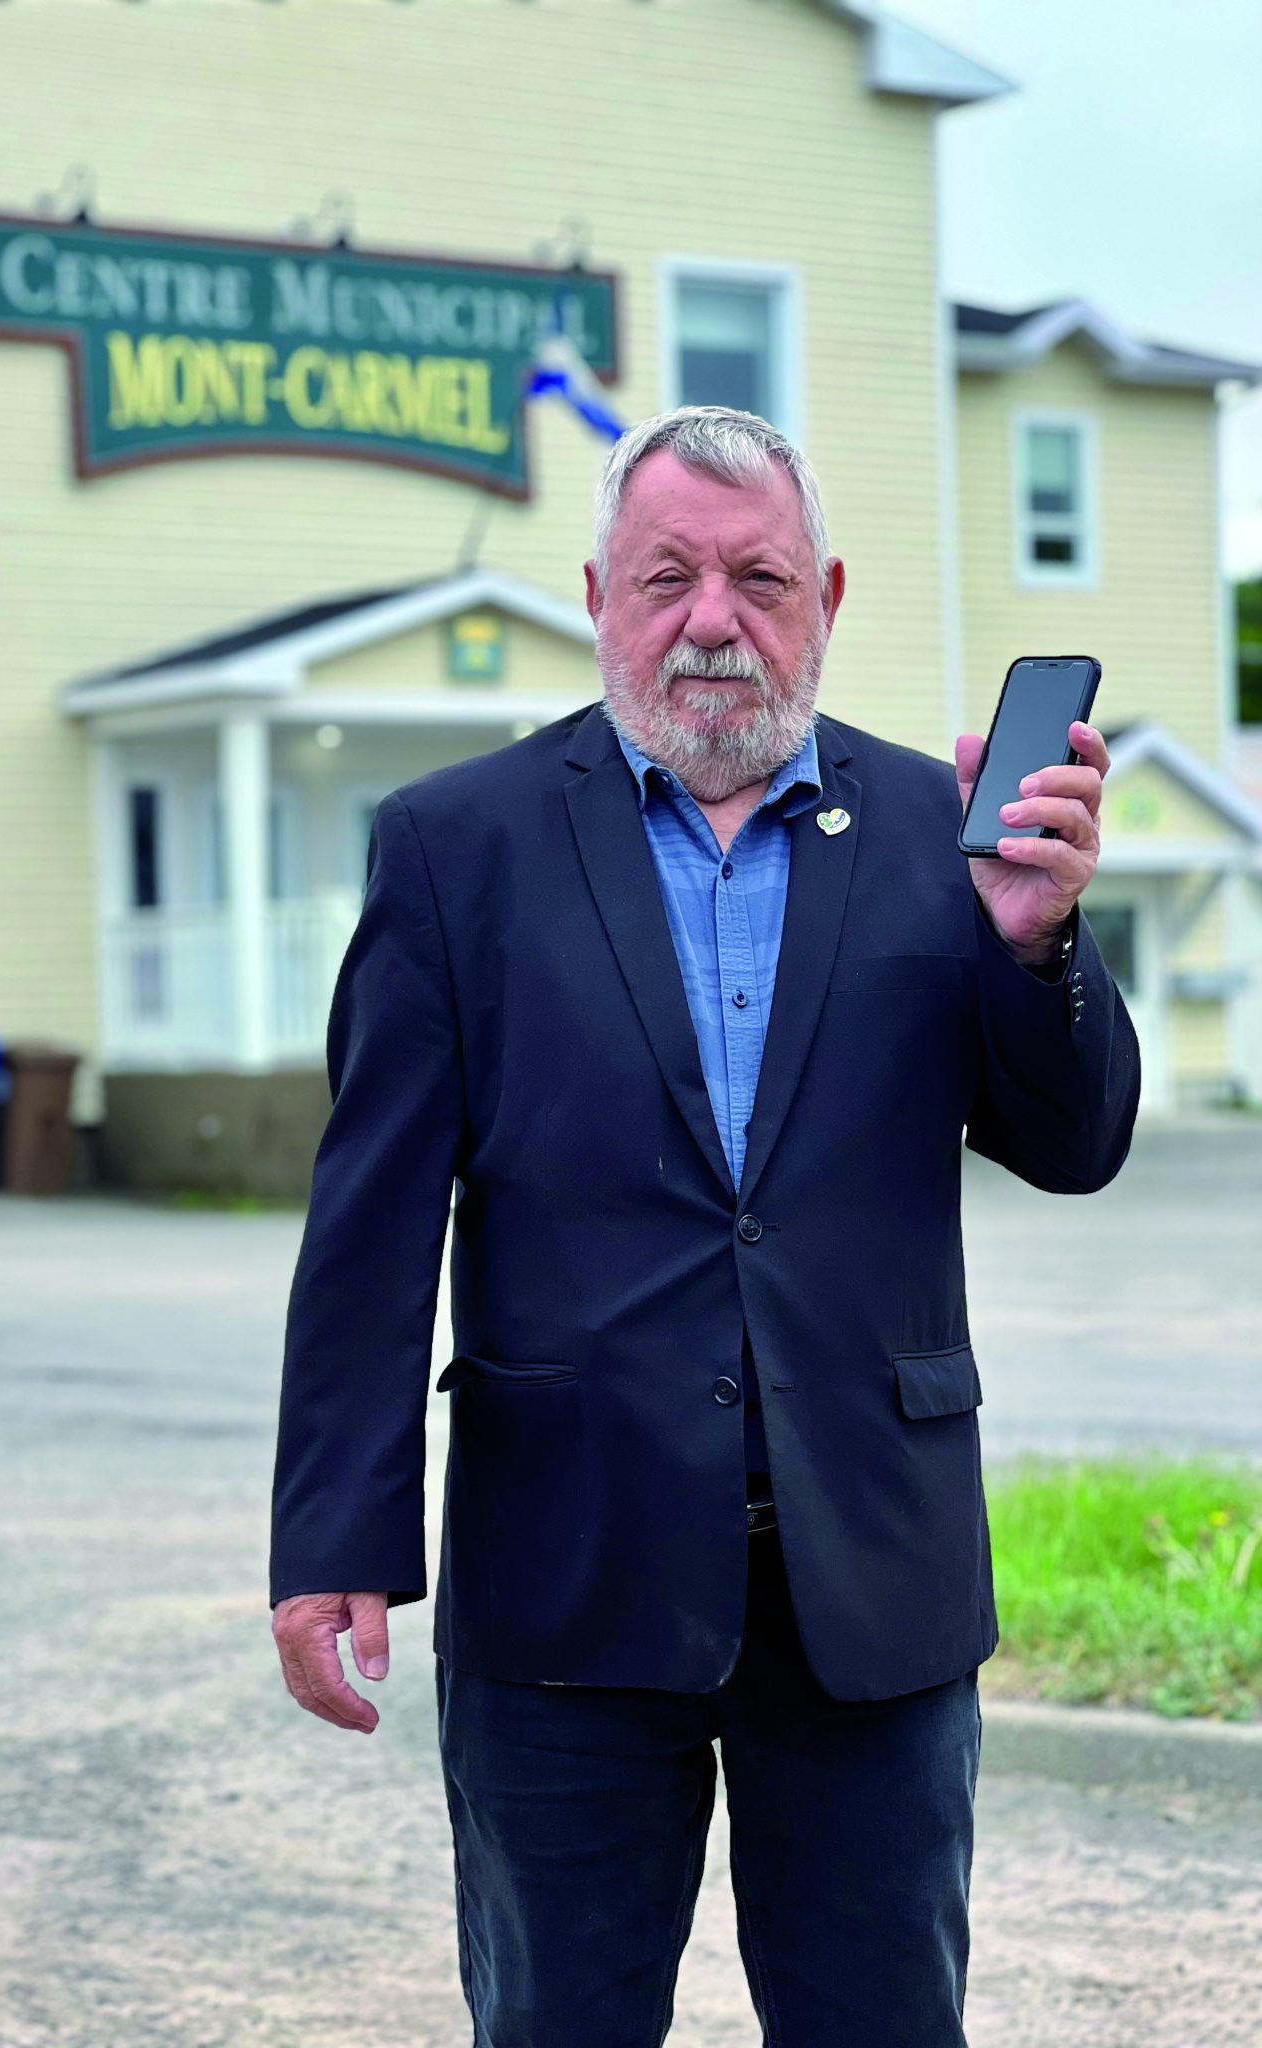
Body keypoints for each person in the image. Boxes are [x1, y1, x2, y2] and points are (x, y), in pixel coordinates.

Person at [268, 404, 1140, 2046]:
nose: (713, 621)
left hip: (869, 1576)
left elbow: (1074, 1145)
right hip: (569, 1577)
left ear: (827, 596)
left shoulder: (941, 835)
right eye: (668, 578)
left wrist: (1037, 948)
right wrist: (335, 1539)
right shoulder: (457, 847)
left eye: (759, 579)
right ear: (600, 594)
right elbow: (371, 1224)